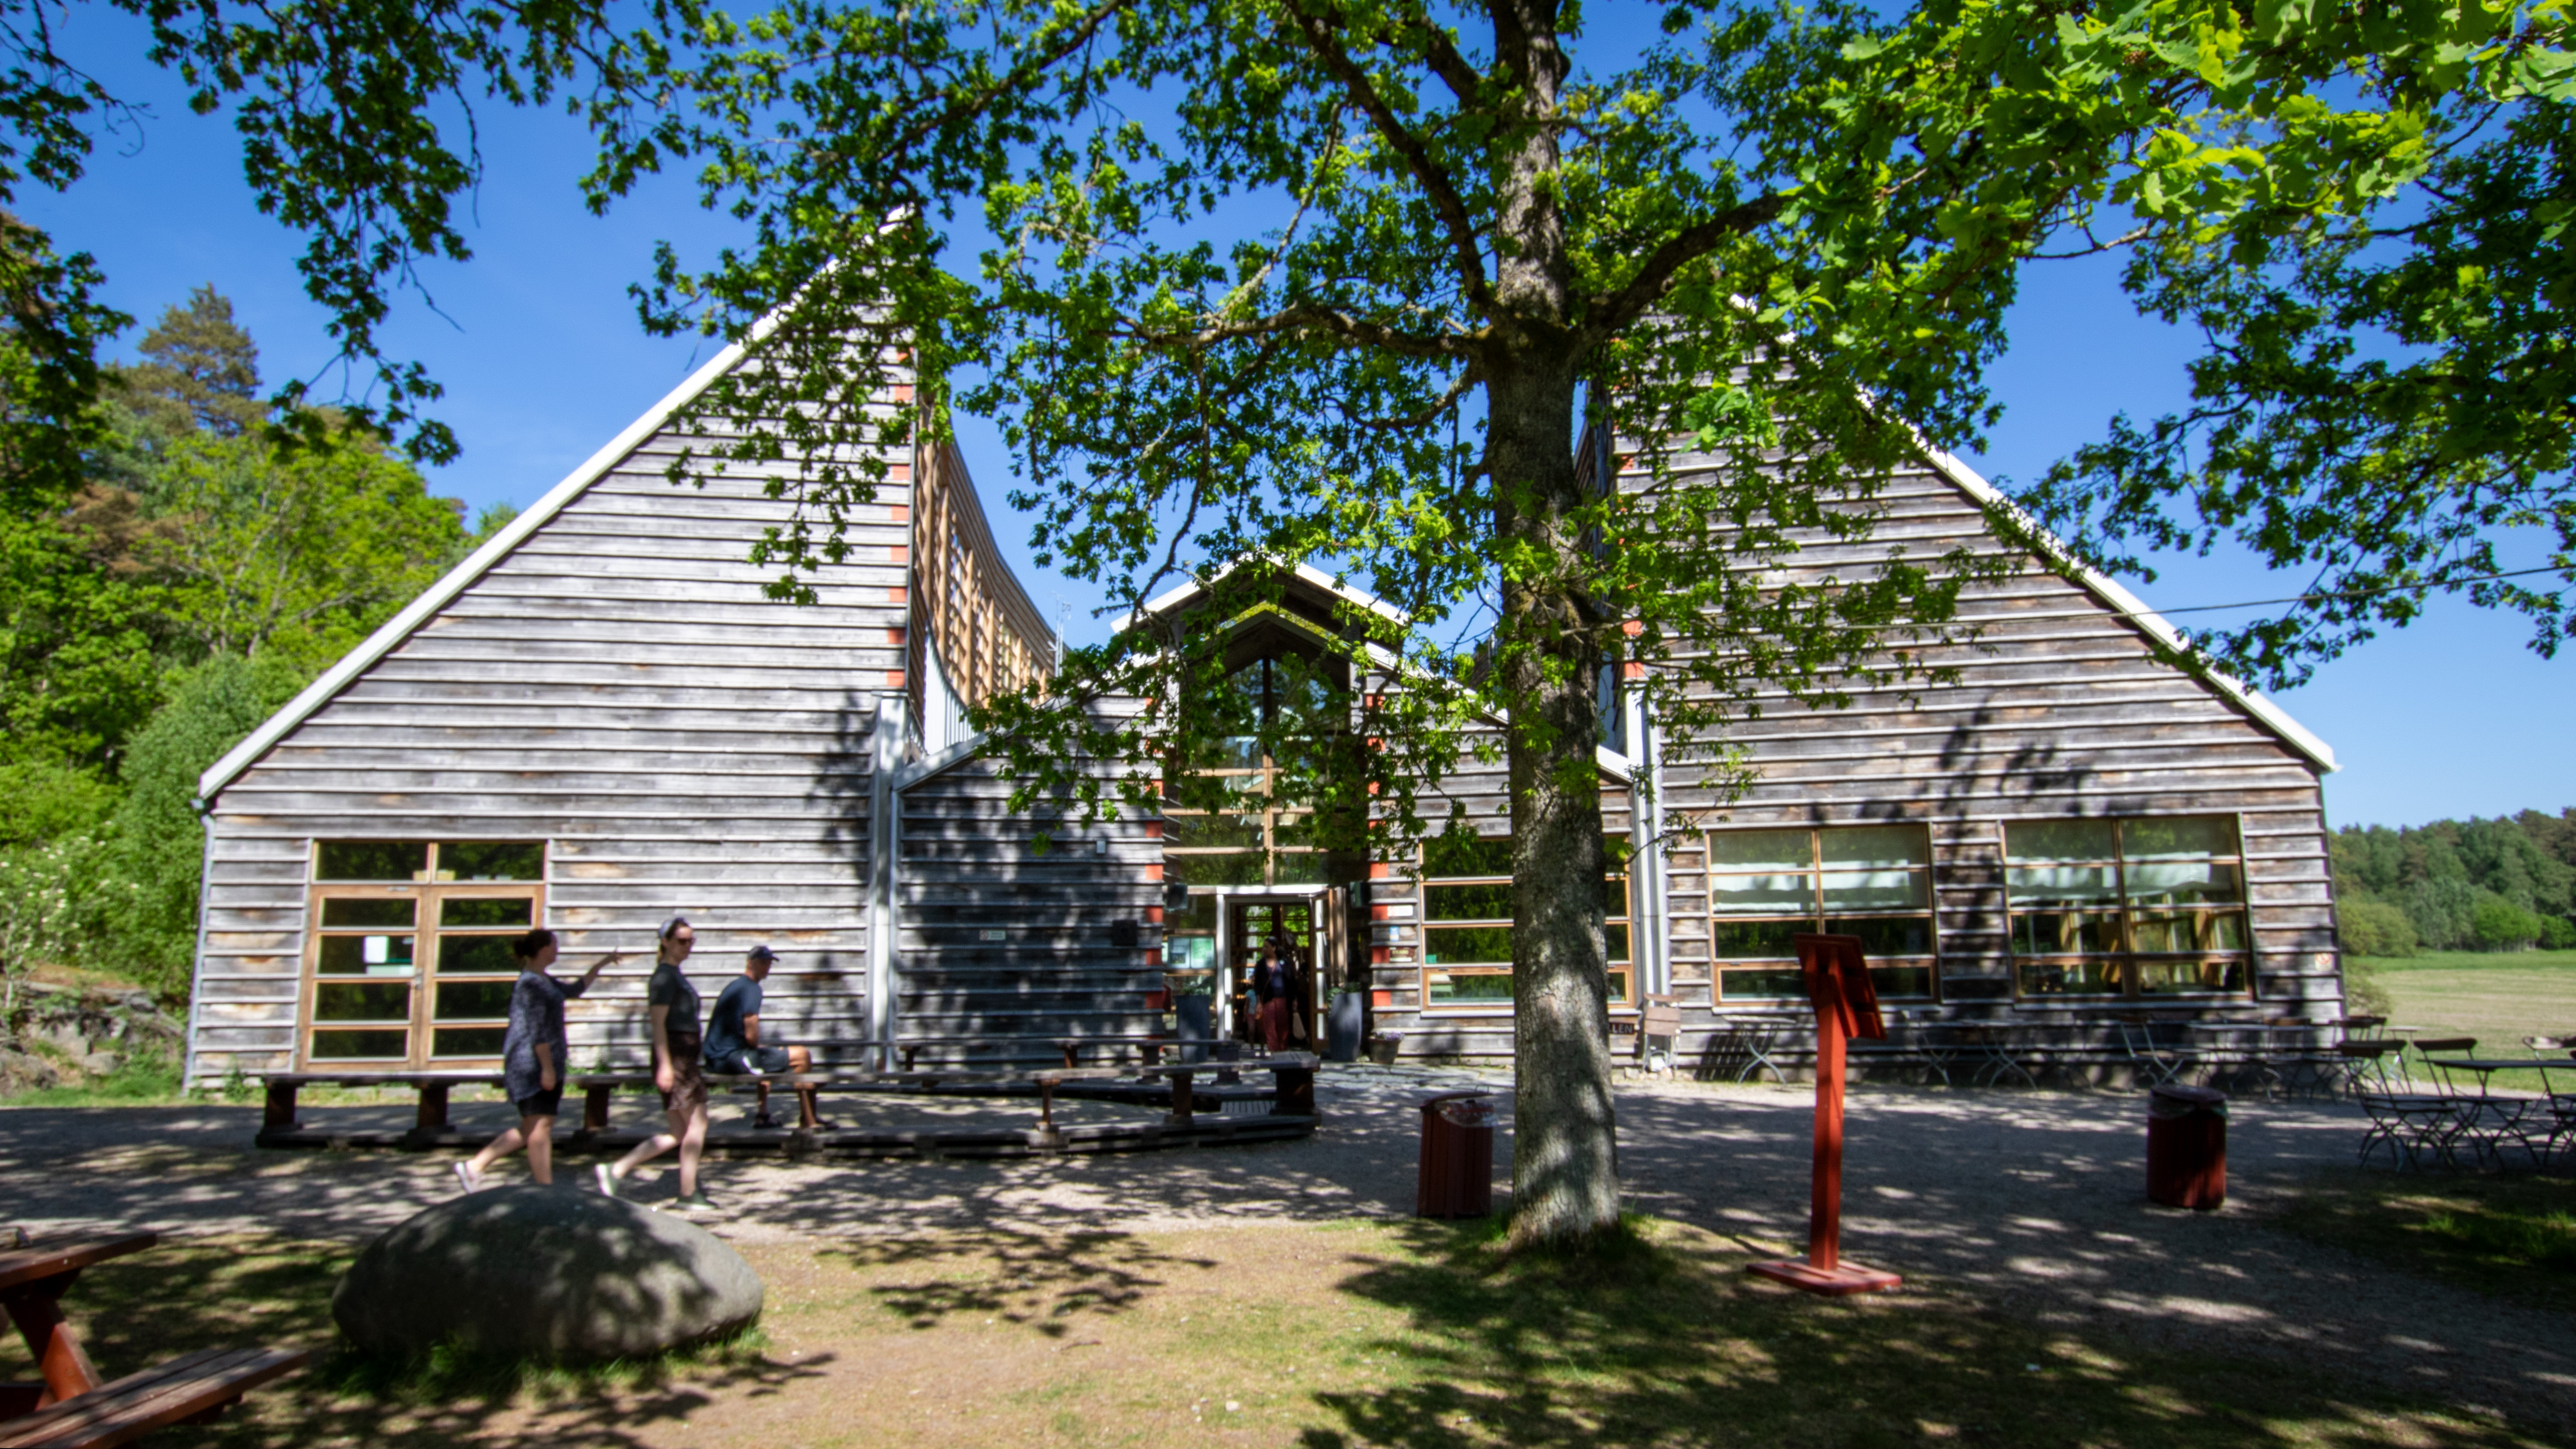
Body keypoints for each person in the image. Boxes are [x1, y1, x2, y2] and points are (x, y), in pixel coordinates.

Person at [453, 930, 618, 1193]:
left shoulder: (544, 981)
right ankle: (545, 1188)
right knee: (541, 1126)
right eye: (555, 945)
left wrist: (602, 964)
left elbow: (574, 990)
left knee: (532, 1127)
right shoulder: (530, 985)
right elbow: (536, 1029)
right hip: (531, 1065)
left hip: (543, 1063)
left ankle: (475, 1166)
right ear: (543, 950)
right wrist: (547, 1068)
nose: (558, 950)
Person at [596, 917, 714, 1210]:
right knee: (698, 1123)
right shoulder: (663, 977)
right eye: (682, 941)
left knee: (678, 1132)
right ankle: (688, 1193)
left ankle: (616, 1170)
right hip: (676, 1056)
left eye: (691, 941)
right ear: (666, 942)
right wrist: (665, 1065)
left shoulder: (675, 974)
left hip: (684, 1056)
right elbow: (657, 1024)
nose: (688, 946)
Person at [704, 945, 827, 1130]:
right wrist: (756, 1046)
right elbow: (751, 1029)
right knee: (802, 1056)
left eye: (769, 963)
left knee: (763, 1058)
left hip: (719, 1058)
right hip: (729, 1059)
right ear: (750, 963)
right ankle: (809, 1121)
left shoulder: (737, 986)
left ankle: (763, 1115)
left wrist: (759, 1049)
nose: (767, 967)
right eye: (762, 963)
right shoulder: (752, 989)